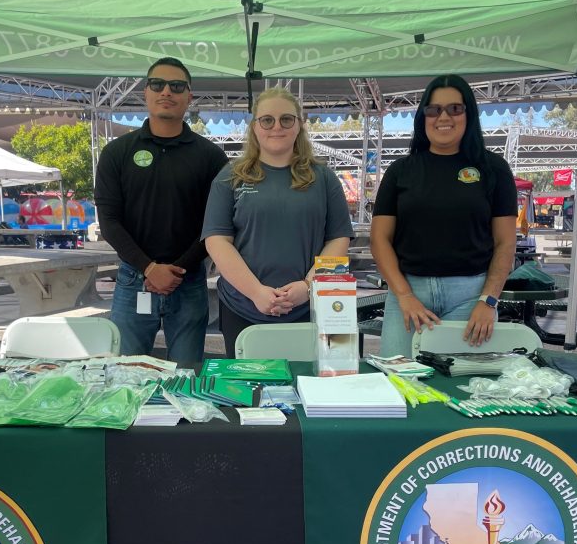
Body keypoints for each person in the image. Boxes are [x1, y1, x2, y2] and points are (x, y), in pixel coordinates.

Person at [370, 73, 517, 356]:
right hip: (408, 293)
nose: (443, 117)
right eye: (434, 109)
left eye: (455, 108)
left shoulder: (493, 169)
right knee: (399, 383)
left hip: (470, 297)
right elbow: (379, 240)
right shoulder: (401, 171)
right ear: (423, 116)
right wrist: (404, 295)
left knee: (460, 388)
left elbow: (505, 244)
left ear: (469, 114)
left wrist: (488, 302)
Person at [95, 57, 228, 362]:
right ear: (146, 92)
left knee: (186, 375)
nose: (167, 91)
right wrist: (148, 267)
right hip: (133, 281)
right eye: (158, 84)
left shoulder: (210, 157)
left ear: (189, 96)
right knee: (127, 374)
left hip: (189, 280)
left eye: (177, 86)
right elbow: (109, 221)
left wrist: (177, 269)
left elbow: (217, 224)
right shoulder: (117, 153)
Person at [202, 88, 353, 355]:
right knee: (247, 392)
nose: (277, 127)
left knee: (312, 387)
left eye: (286, 119)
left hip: (313, 308)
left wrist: (309, 287)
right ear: (255, 127)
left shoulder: (324, 178)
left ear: (299, 126)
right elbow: (217, 241)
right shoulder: (229, 177)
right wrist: (256, 292)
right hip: (243, 308)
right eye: (267, 120)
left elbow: (338, 239)